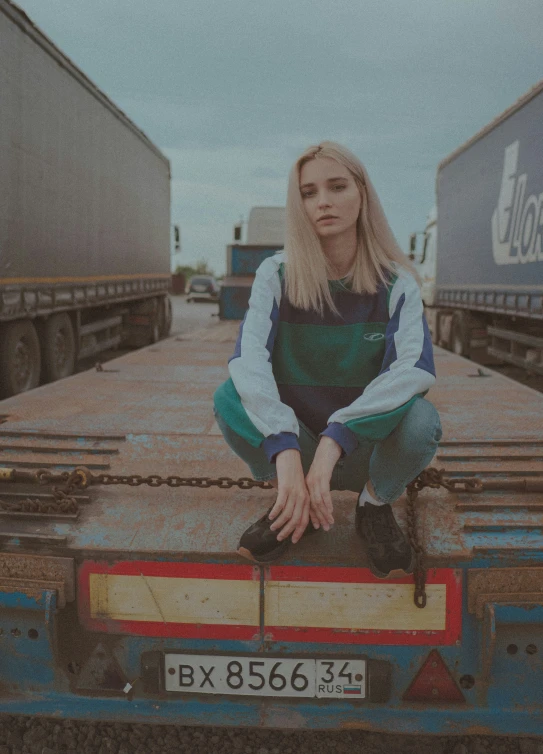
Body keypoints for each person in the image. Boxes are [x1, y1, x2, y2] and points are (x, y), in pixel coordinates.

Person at [213, 141, 441, 578]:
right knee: (228, 397)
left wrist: (337, 440)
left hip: (360, 448)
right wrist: (286, 456)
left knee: (422, 420)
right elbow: (249, 365)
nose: (324, 202)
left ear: (362, 194)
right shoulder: (275, 274)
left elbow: (411, 372)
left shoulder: (398, 284)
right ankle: (292, 504)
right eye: (308, 192)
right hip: (298, 447)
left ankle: (373, 506)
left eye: (337, 187)